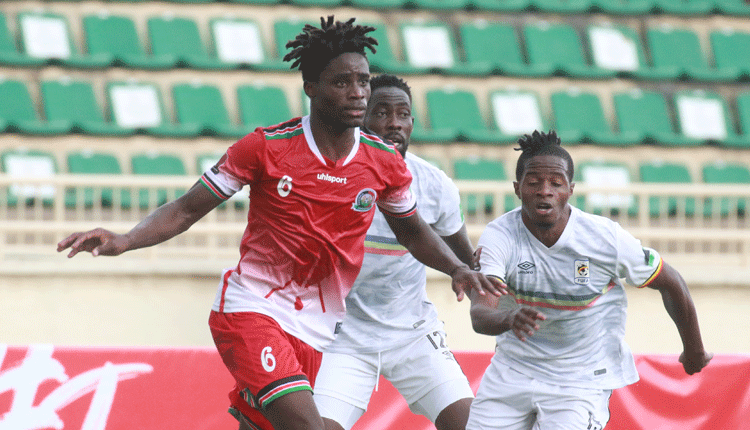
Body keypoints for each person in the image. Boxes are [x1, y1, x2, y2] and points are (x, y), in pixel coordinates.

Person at [56, 16, 502, 430]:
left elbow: (412, 231)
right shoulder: (266, 148)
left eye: (363, 81)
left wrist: (457, 268)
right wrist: (126, 239)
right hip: (253, 308)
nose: (358, 93)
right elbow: (187, 208)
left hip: (315, 327)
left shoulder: (384, 164)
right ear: (311, 86)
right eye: (342, 82)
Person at [466, 130, 712, 430]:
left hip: (580, 378)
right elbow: (480, 315)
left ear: (570, 189)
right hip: (512, 371)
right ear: (518, 189)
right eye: (533, 183)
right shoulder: (499, 236)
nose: (545, 191)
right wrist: (509, 317)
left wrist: (694, 348)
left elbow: (671, 281)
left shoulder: (605, 238)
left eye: (555, 184)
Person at [313, 74, 478, 430]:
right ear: (362, 118)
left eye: (402, 115)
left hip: (412, 333)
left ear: (412, 123)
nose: (394, 123)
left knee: (470, 424)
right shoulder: (332, 178)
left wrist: (494, 295)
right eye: (382, 113)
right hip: (341, 337)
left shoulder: (435, 185)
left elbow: (468, 260)